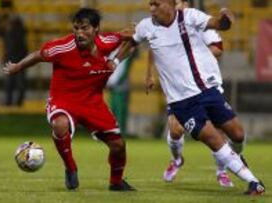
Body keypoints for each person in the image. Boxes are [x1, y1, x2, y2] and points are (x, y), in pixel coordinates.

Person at [109, 0, 265, 195]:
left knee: (238, 134)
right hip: (182, 102)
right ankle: (253, 182)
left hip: (207, 91)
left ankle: (236, 159)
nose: (151, 9)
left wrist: (226, 19)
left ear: (169, 4)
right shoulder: (145, 26)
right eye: (150, 4)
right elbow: (131, 44)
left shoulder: (189, 17)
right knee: (212, 139)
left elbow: (218, 25)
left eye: (155, 4)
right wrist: (114, 61)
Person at [3, 8, 136, 191]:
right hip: (63, 100)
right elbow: (38, 55)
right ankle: (70, 167)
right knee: (60, 125)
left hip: (93, 103)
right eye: (76, 28)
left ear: (96, 29)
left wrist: (117, 60)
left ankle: (116, 182)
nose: (79, 34)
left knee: (118, 145)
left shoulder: (108, 41)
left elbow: (134, 38)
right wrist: (17, 67)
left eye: (84, 28)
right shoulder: (62, 47)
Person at [157, 0, 234, 187]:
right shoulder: (165, 27)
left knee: (220, 131)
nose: (175, 5)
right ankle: (176, 160)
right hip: (179, 87)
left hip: (206, 84)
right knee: (175, 129)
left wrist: (191, 54)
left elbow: (218, 48)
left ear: (186, 4)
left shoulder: (199, 21)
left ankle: (222, 171)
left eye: (178, 2)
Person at [106, 48, 138, 135]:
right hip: (114, 89)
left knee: (120, 112)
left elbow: (123, 73)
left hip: (122, 89)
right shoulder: (114, 56)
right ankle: (113, 131)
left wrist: (111, 83)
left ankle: (120, 133)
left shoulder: (125, 58)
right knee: (113, 111)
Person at [3, 15, 28, 106]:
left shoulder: (10, 33)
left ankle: (9, 102)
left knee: (10, 83)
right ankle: (18, 102)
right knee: (19, 83)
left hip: (12, 60)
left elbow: (9, 48)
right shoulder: (22, 32)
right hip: (20, 60)